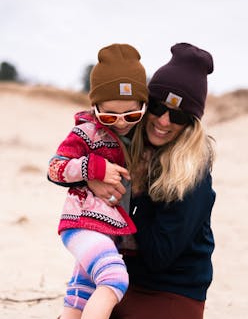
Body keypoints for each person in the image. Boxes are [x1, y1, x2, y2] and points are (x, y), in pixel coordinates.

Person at [88, 42, 216, 319]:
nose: (164, 121)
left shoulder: (192, 174)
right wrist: (92, 178)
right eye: (158, 107)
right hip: (125, 280)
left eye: (179, 115)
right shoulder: (131, 143)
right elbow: (71, 159)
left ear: (191, 123)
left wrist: (139, 193)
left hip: (171, 292)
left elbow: (160, 255)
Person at [47, 43, 148, 319]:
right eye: (108, 115)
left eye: (131, 115)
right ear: (94, 107)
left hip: (110, 232)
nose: (121, 123)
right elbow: (55, 168)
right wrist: (93, 168)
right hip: (81, 223)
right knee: (114, 278)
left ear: (143, 107)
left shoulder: (142, 137)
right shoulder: (86, 133)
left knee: (81, 292)